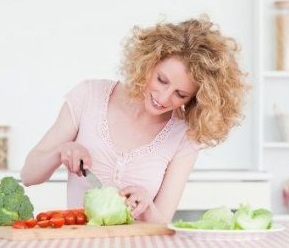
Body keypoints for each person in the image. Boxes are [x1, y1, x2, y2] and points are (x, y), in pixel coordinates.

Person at [20, 14, 250, 224]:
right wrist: (62, 151)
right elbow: (28, 175)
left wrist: (146, 206)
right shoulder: (88, 96)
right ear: (148, 62)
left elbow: (160, 222)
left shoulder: (184, 135)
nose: (163, 97)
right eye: (161, 80)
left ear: (195, 99)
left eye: (180, 94)